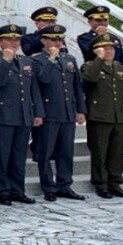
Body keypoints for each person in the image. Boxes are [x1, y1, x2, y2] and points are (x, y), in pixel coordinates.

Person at [0, 24, 43, 205]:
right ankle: (2, 190)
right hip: (3, 114)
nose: (13, 42)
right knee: (2, 155)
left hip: (24, 114)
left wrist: (38, 112)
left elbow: (34, 89)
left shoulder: (27, 62)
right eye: (9, 39)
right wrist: (6, 60)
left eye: (16, 39)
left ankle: (18, 189)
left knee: (19, 155)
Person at [32, 24, 87, 202]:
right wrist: (52, 58)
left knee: (66, 151)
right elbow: (43, 79)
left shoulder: (69, 59)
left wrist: (80, 109)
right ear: (43, 41)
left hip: (67, 112)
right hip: (49, 113)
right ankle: (48, 186)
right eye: (53, 39)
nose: (57, 42)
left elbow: (76, 86)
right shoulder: (37, 59)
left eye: (60, 39)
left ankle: (64, 184)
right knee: (45, 152)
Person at [80, 33, 123, 199]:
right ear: (96, 51)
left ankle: (115, 182)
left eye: (111, 48)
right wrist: (99, 59)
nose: (109, 51)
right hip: (99, 117)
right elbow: (90, 78)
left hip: (118, 116)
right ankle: (100, 184)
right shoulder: (89, 66)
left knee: (118, 152)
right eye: (104, 48)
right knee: (100, 152)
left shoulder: (120, 68)